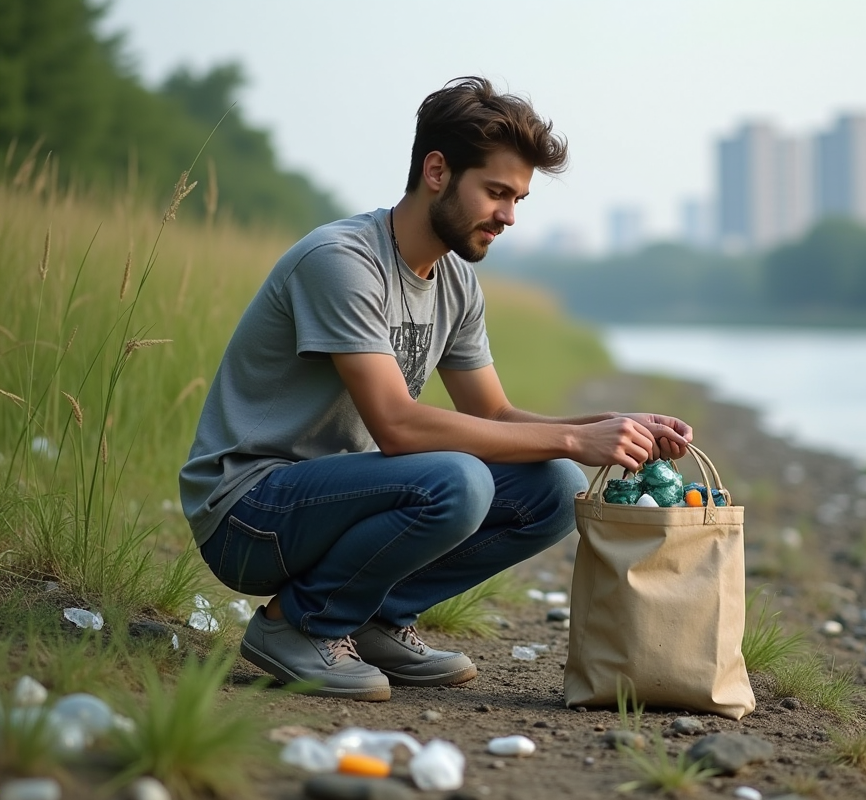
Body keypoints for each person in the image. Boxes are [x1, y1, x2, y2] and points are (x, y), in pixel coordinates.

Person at [179, 76, 692, 702]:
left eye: (518, 200)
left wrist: (608, 427)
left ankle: (370, 618)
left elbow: (495, 413)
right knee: (459, 479)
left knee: (556, 484)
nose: (506, 216)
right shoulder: (342, 261)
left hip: (343, 496)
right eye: (496, 192)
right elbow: (396, 425)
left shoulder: (454, 281)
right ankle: (298, 625)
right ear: (438, 170)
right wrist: (571, 436)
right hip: (250, 513)